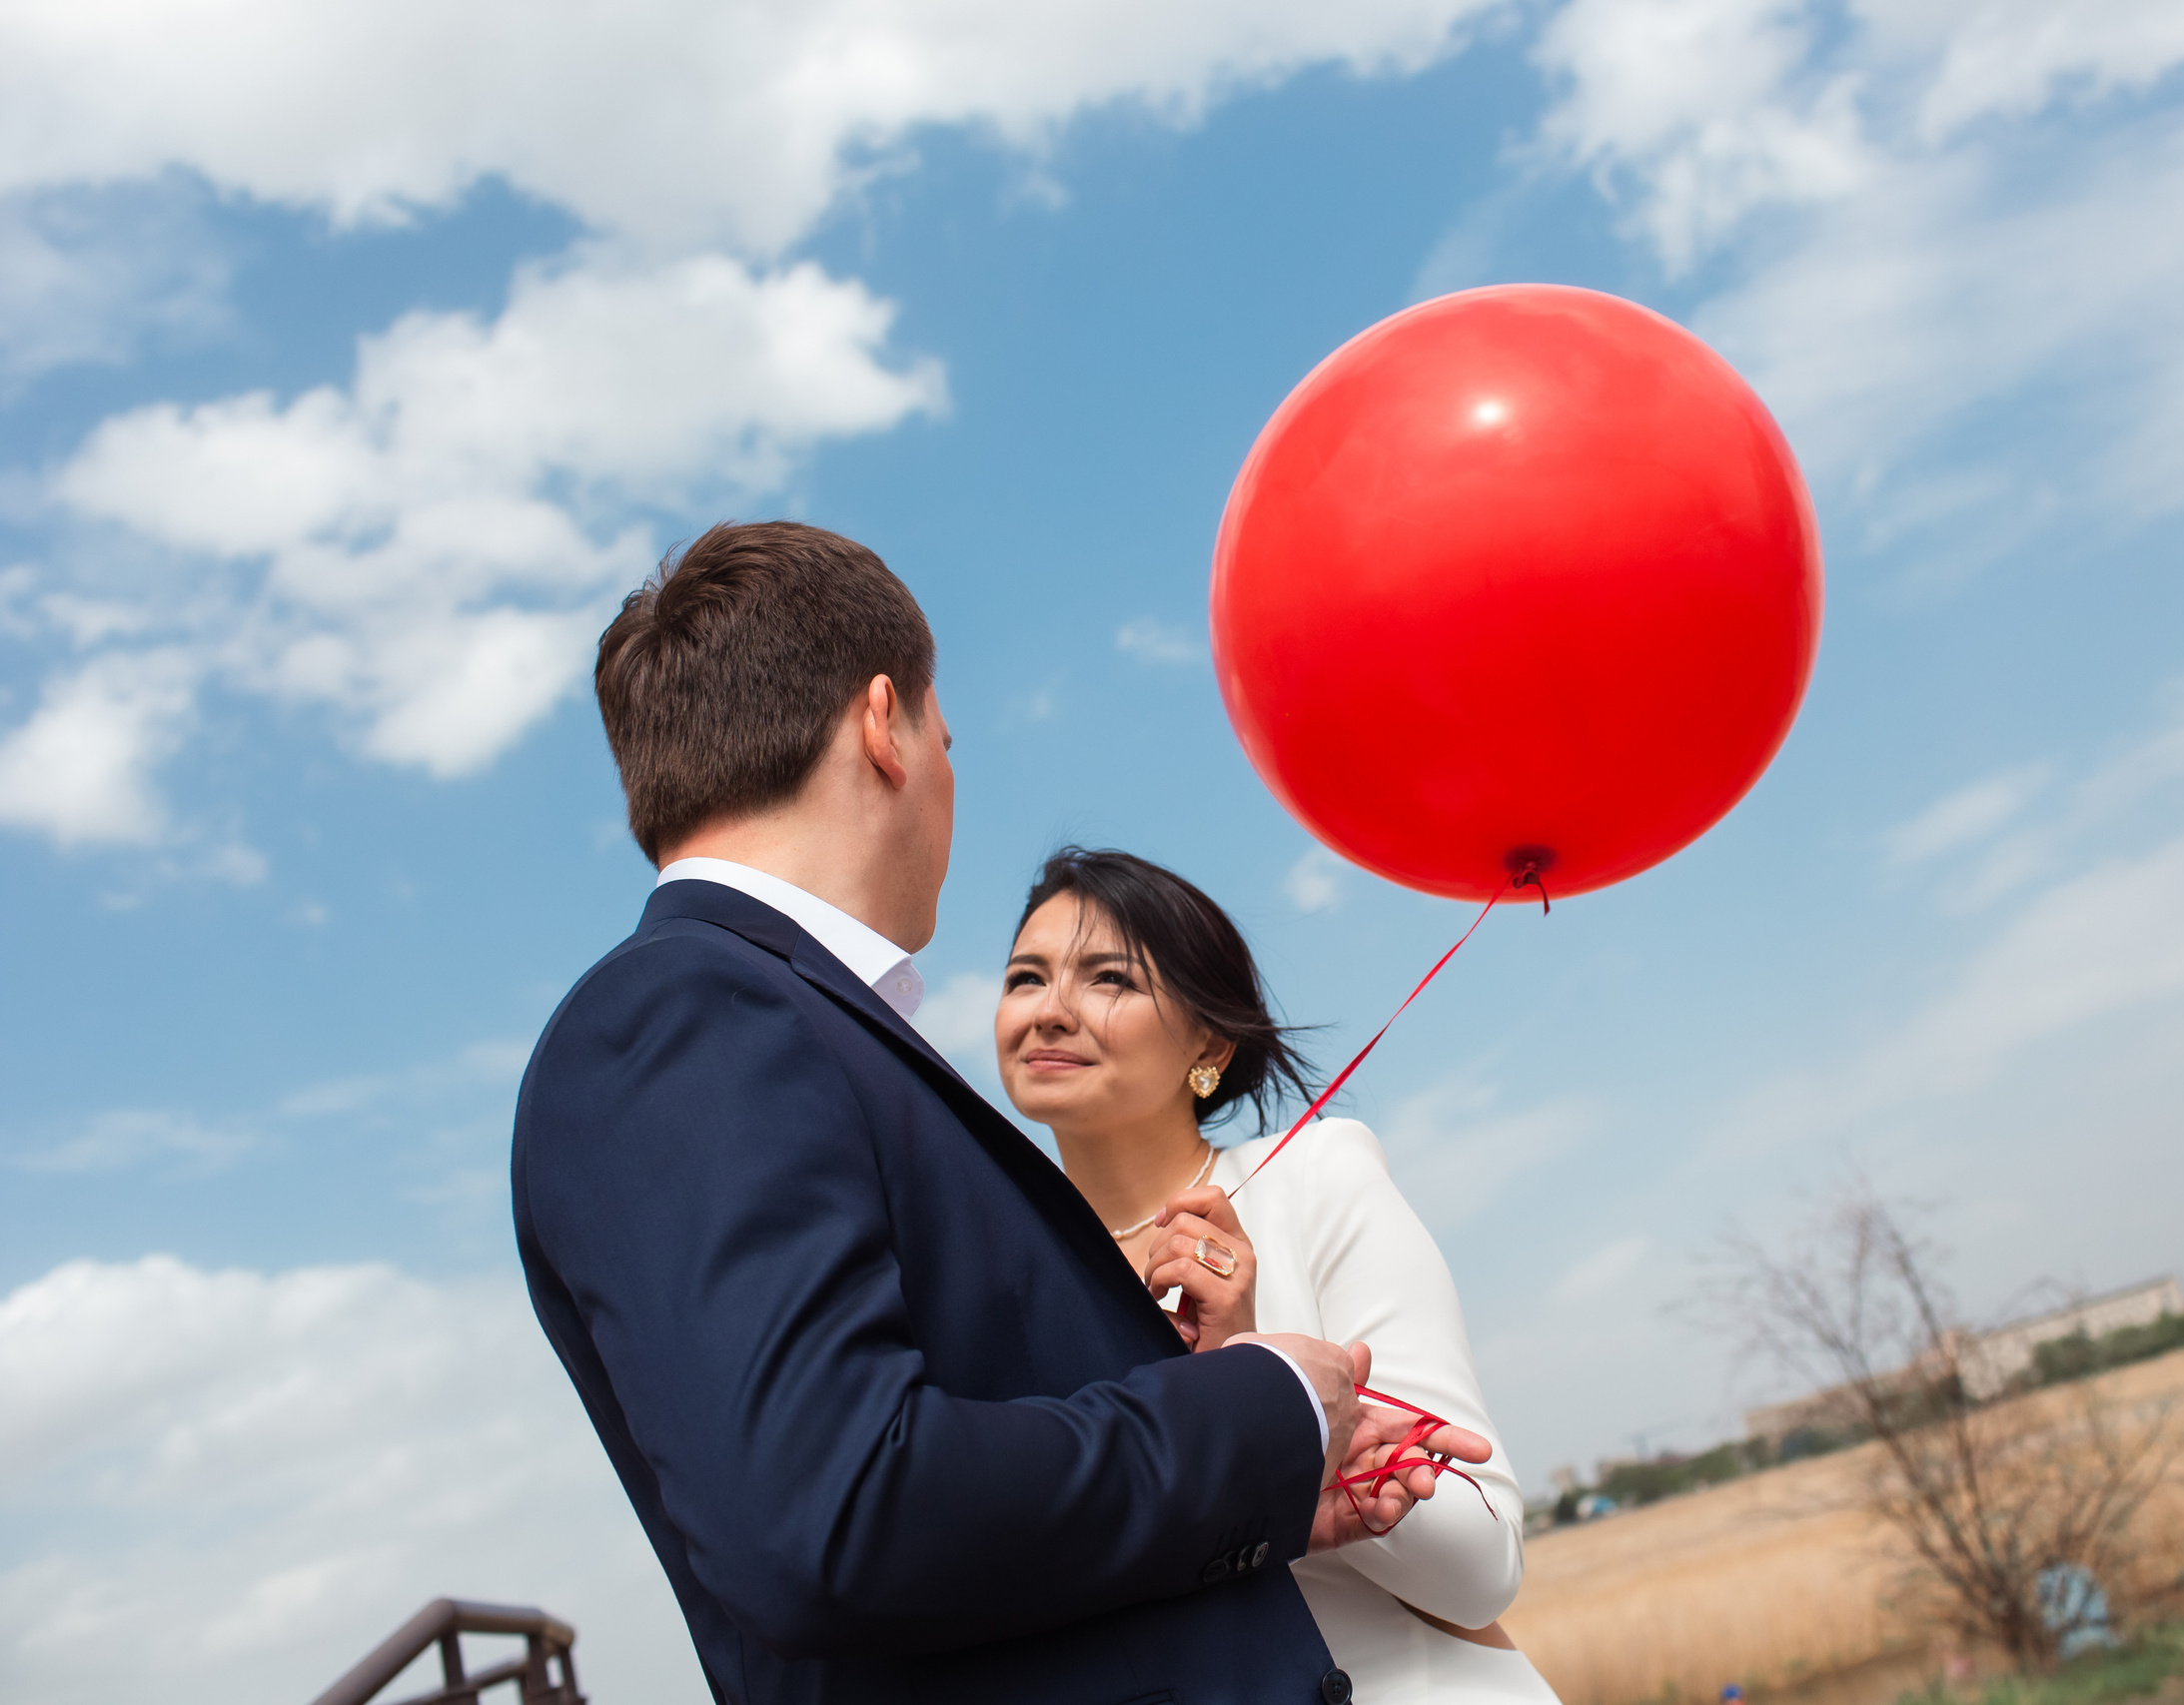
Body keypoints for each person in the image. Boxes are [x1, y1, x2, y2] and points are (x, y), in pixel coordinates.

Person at [513, 521, 1487, 1705]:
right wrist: (1259, 1408)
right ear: (885, 726)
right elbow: (837, 1516)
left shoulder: (762, 1018)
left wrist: (1258, 1493)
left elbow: (931, 1504)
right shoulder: (683, 1014)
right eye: (945, 734)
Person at [996, 847, 1563, 1704]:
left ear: (1210, 1045)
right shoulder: (1001, 1282)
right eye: (1025, 978)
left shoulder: (1315, 1181)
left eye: (1108, 978)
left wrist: (1263, 1386)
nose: (1050, 1011)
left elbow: (1484, 1569)